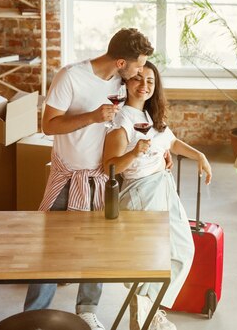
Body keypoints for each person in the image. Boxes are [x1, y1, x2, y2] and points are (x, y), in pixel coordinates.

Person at [24, 28, 154, 330]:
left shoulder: (121, 84)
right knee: (50, 247)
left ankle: (86, 310)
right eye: (137, 66)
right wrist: (92, 117)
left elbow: (133, 118)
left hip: (103, 177)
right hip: (69, 176)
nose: (140, 73)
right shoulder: (70, 77)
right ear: (121, 62)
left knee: (98, 247)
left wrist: (160, 149)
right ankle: (34, 313)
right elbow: (48, 126)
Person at [103, 61, 212, 330]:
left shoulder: (150, 117)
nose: (144, 85)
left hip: (163, 187)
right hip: (140, 192)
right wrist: (134, 153)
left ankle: (146, 311)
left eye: (150, 81)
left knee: (182, 250)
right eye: (138, 79)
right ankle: (146, 317)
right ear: (126, 82)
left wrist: (199, 155)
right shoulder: (122, 121)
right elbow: (110, 167)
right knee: (150, 259)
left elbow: (171, 142)